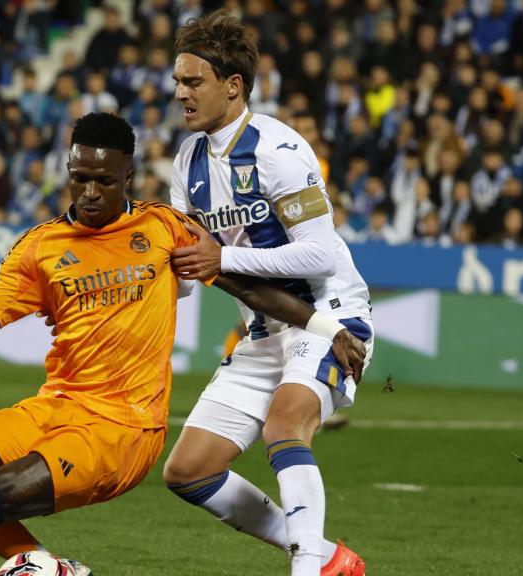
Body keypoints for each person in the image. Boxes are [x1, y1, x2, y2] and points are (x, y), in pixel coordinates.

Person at [0, 113, 366, 576]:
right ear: (68, 171)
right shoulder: (40, 246)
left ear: (129, 177)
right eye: (80, 179)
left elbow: (245, 286)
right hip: (56, 406)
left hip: (123, 428)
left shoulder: (164, 227)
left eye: (105, 181)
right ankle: (48, 569)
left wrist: (326, 329)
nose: (91, 192)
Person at [163, 11, 374, 576]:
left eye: (193, 82)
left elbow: (320, 254)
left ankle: (307, 568)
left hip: (327, 314)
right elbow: (187, 274)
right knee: (188, 471)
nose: (180, 93)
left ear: (234, 86)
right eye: (178, 82)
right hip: (263, 330)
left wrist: (222, 256)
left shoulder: (280, 151)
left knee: (285, 425)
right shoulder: (187, 161)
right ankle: (325, 556)